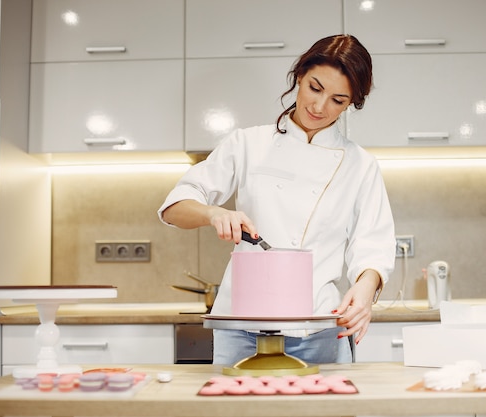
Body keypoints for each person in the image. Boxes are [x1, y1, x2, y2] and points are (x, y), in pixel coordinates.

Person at [158, 34, 395, 365]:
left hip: (321, 323)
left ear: (351, 103)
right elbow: (174, 208)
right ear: (299, 75)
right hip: (241, 325)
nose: (319, 106)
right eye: (315, 88)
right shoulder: (248, 144)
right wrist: (213, 213)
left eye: (338, 100)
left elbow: (374, 243)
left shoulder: (361, 164)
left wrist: (366, 289)